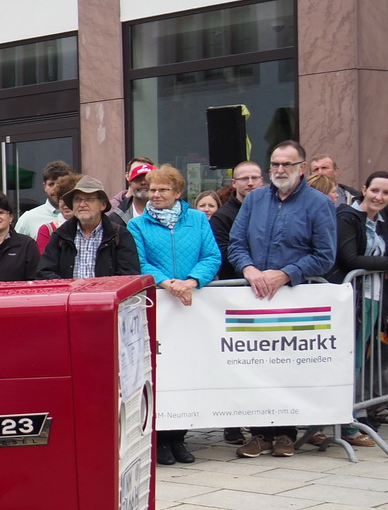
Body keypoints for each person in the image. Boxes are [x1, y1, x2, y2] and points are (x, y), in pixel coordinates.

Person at [227, 141, 338, 459]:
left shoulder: (318, 204)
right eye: (274, 164)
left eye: (286, 165)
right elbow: (236, 242)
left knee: (287, 367)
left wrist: (285, 274)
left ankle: (286, 434)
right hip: (254, 298)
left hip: (294, 300)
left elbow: (325, 255)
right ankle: (259, 434)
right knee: (254, 367)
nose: (278, 170)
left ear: (302, 168)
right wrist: (248, 269)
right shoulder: (255, 199)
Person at [128, 166, 221, 464]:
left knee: (187, 370)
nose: (155, 195)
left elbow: (212, 256)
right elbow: (140, 263)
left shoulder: (197, 220)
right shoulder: (138, 225)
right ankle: (161, 440)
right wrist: (169, 283)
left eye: (162, 190)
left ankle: (180, 438)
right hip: (158, 306)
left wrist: (191, 281)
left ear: (178, 193)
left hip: (190, 306)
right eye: (152, 190)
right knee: (160, 373)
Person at [333, 170, 388, 446]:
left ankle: (357, 414)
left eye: (385, 193)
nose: (379, 197)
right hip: (353, 297)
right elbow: (350, 258)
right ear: (363, 190)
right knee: (348, 359)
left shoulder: (381, 222)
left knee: (362, 360)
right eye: (375, 190)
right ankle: (343, 423)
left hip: (375, 298)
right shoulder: (347, 217)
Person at [39, 176, 141, 279]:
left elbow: (129, 276)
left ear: (103, 205)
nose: (82, 204)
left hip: (105, 294)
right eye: (77, 200)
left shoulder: (120, 235)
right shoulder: (60, 235)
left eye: (89, 199)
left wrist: (101, 289)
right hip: (68, 294)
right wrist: (69, 288)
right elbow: (44, 272)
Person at [210, 160, 263, 280]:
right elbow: (223, 254)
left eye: (254, 178)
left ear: (261, 181)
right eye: (244, 179)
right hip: (236, 286)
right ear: (234, 183)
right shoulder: (221, 217)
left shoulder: (273, 211)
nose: (250, 183)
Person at [15, 161, 76, 241]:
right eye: (51, 184)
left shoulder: (81, 215)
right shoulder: (28, 219)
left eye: (60, 185)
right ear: (44, 186)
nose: (56, 189)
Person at [35, 174, 81, 253]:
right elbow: (45, 262)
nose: (65, 203)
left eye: (70, 199)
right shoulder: (47, 230)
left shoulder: (90, 229)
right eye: (61, 199)